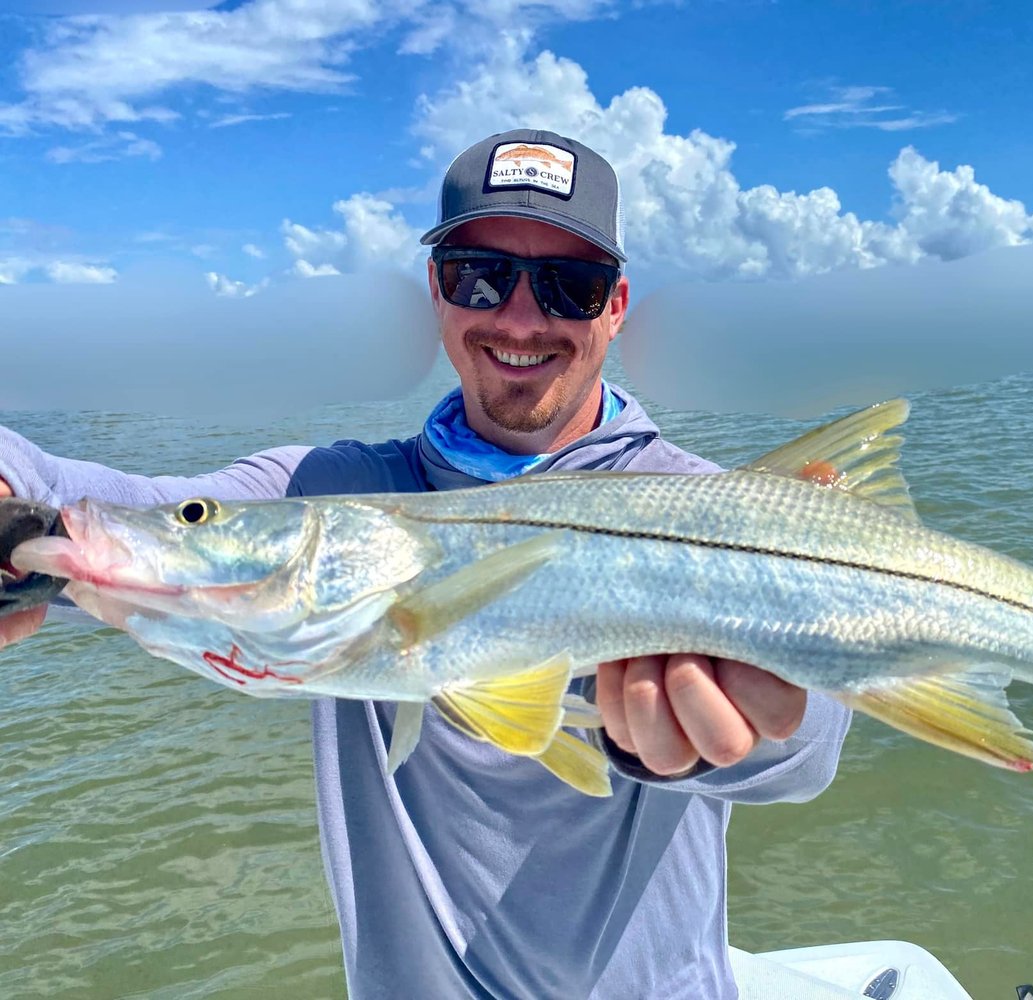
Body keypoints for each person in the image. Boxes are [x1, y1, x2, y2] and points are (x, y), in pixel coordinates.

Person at [0, 129, 852, 999]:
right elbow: (99, 510)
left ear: (617, 305)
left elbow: (812, 745)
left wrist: (713, 738)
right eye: (478, 275)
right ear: (437, 295)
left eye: (570, 285)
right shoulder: (324, 492)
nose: (521, 319)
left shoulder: (707, 504)